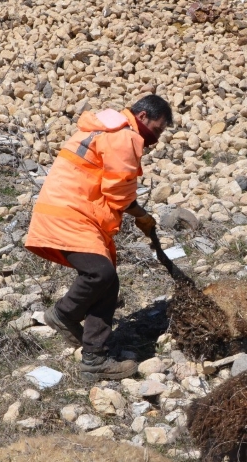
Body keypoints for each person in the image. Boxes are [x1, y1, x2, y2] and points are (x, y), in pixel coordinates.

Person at [24, 95, 172, 382]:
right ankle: (63, 314)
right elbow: (118, 191)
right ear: (142, 116)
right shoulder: (124, 136)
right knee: (99, 273)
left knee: (108, 279)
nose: (157, 136)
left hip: (74, 212)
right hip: (69, 213)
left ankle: (94, 359)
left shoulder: (105, 130)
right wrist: (142, 216)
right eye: (159, 128)